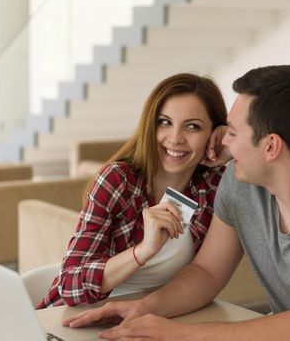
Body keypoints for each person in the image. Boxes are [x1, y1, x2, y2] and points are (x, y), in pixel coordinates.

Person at [62, 65, 290, 340]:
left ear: (270, 147)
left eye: (232, 132)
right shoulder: (240, 184)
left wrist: (181, 335)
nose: (223, 144)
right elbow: (206, 273)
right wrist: (140, 310)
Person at [37, 73, 229, 308]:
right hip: (78, 317)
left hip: (153, 320)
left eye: (193, 127)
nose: (175, 138)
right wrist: (143, 251)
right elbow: (68, 284)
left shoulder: (212, 187)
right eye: (164, 122)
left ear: (213, 133)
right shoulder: (118, 181)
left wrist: (233, 149)